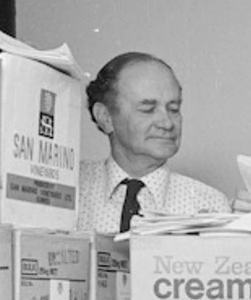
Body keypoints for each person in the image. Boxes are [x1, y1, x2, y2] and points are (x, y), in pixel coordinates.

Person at [78, 52, 230, 232]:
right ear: (105, 117)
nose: (167, 123)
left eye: (173, 109)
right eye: (148, 109)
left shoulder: (210, 206)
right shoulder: (71, 189)